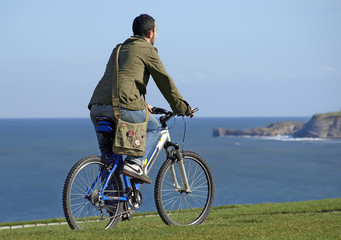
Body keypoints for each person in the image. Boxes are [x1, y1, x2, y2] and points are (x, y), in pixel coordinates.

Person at [88, 14, 192, 184]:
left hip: (97, 107)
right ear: (150, 33)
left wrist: (142, 105)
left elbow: (121, 81)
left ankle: (113, 206)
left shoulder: (119, 48)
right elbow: (164, 81)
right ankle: (136, 164)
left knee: (109, 160)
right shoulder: (146, 49)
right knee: (155, 128)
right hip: (120, 107)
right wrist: (181, 107)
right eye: (157, 31)